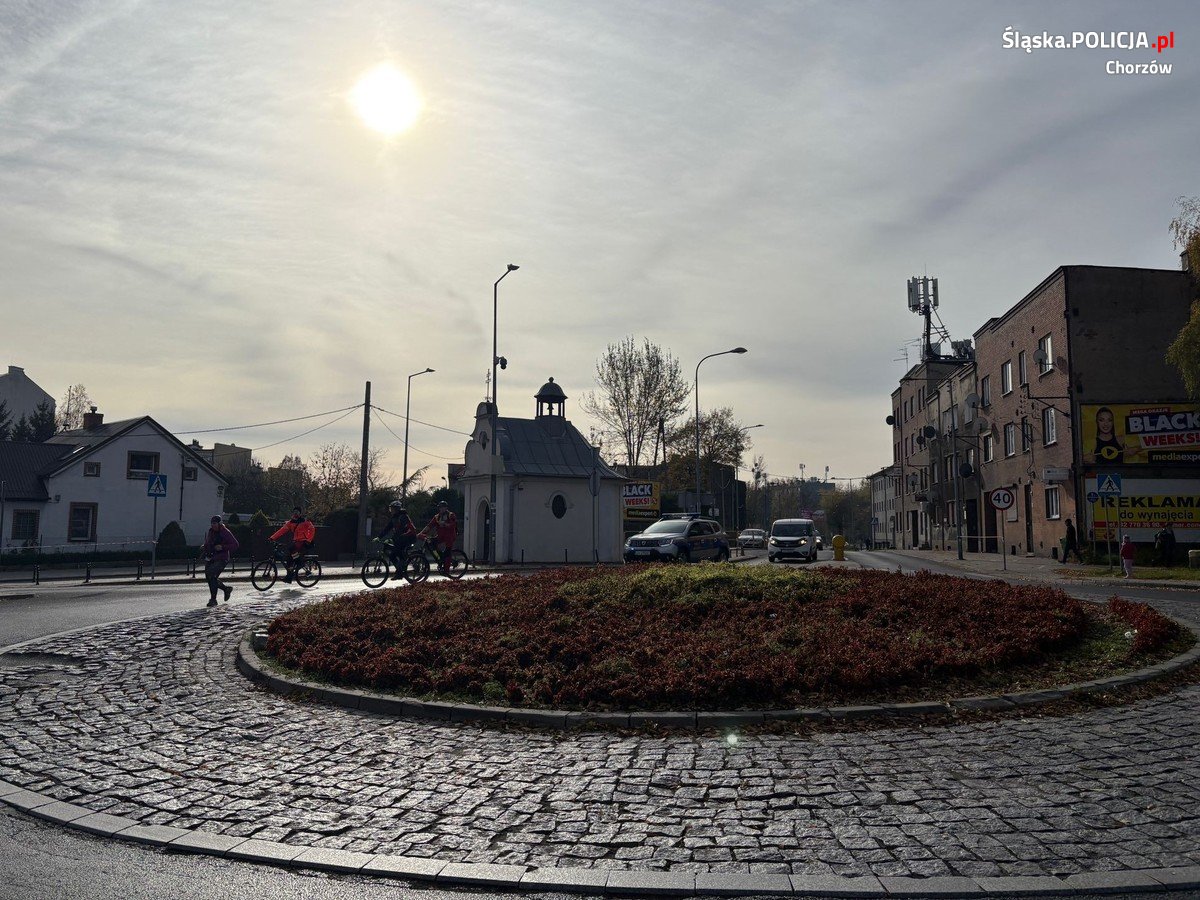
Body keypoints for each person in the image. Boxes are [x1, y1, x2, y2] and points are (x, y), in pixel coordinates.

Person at [270, 506, 316, 583]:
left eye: (297, 512)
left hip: (303, 542)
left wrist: (309, 540)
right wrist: (272, 537)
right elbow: (282, 530)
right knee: (289, 559)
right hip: (296, 541)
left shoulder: (305, 521)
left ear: (300, 513)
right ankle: (289, 577)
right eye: (294, 512)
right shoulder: (291, 523)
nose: (295, 513)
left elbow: (312, 529)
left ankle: (300, 563)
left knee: (291, 549)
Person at [202, 515, 239, 607]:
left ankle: (213, 600)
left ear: (219, 523)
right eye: (212, 523)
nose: (213, 525)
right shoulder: (211, 532)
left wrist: (223, 547)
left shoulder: (225, 532)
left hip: (222, 558)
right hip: (211, 557)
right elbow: (208, 542)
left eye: (215, 523)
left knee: (212, 576)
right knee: (209, 578)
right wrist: (205, 546)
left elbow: (235, 544)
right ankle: (226, 589)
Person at [378, 500, 417, 579]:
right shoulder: (394, 517)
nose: (391, 511)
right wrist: (379, 537)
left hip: (409, 537)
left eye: (392, 509)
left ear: (397, 509)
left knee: (398, 552)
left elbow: (401, 530)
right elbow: (387, 528)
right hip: (401, 538)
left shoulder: (403, 517)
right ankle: (399, 571)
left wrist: (391, 539)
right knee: (392, 555)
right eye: (390, 509)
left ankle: (400, 572)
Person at [419, 500, 458, 575]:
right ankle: (440, 557)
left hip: (449, 537)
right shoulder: (437, 517)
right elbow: (429, 526)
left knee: (447, 552)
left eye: (443, 507)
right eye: (440, 507)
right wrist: (421, 533)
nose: (441, 509)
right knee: (431, 543)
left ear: (446, 508)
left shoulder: (451, 515)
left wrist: (445, 524)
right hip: (440, 536)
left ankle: (446, 570)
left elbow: (453, 524)